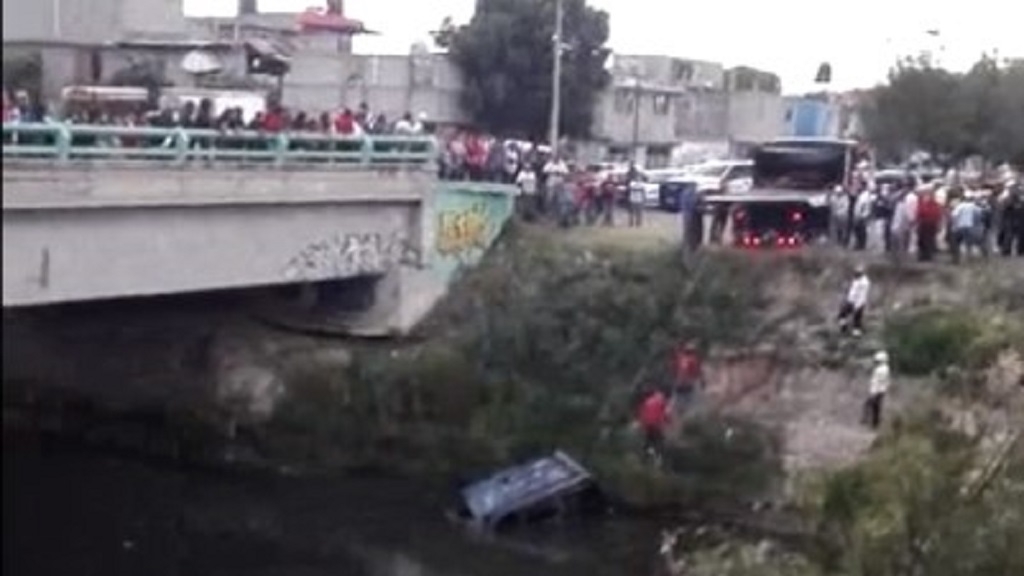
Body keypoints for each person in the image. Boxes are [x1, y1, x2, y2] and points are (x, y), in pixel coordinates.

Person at [637, 388, 670, 461]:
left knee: (649, 440)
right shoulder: (661, 400)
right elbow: (666, 413)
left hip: (647, 424)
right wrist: (667, 422)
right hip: (656, 424)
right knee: (659, 441)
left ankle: (645, 456)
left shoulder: (647, 401)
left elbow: (642, 413)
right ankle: (659, 458)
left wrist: (642, 424)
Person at [837, 264, 870, 336]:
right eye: (855, 272)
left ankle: (856, 335)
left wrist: (857, 306)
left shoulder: (864, 283)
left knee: (857, 319)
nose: (855, 274)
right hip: (850, 300)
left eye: (857, 273)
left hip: (858, 303)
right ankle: (844, 327)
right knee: (842, 314)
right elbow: (852, 290)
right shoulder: (856, 279)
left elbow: (862, 295)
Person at [862, 350, 891, 429]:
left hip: (877, 391)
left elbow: (878, 381)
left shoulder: (880, 369)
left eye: (877, 360)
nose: (876, 362)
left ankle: (868, 421)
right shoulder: (885, 368)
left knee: (870, 406)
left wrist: (874, 392)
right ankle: (874, 423)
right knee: (876, 408)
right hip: (881, 390)